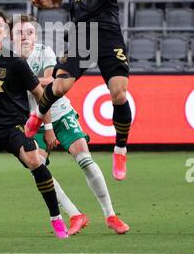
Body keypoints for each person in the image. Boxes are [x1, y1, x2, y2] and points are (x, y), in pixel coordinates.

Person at [26, 0, 139, 181]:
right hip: (80, 34)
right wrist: (44, 3)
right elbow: (56, 0)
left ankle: (120, 148)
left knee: (119, 94)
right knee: (60, 85)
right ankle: (39, 114)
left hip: (109, 33)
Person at [11, 14, 130, 235]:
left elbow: (49, 83)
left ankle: (110, 215)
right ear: (12, 37)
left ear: (35, 35)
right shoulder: (7, 60)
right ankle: (75, 214)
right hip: (31, 119)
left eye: (29, 32)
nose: (25, 36)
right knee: (38, 167)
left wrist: (47, 126)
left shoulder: (43, 51)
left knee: (84, 158)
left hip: (58, 112)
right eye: (20, 33)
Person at [0, 8, 68, 239]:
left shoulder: (16, 62)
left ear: (5, 33)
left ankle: (56, 218)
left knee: (35, 160)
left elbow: (40, 94)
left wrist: (47, 128)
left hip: (16, 127)